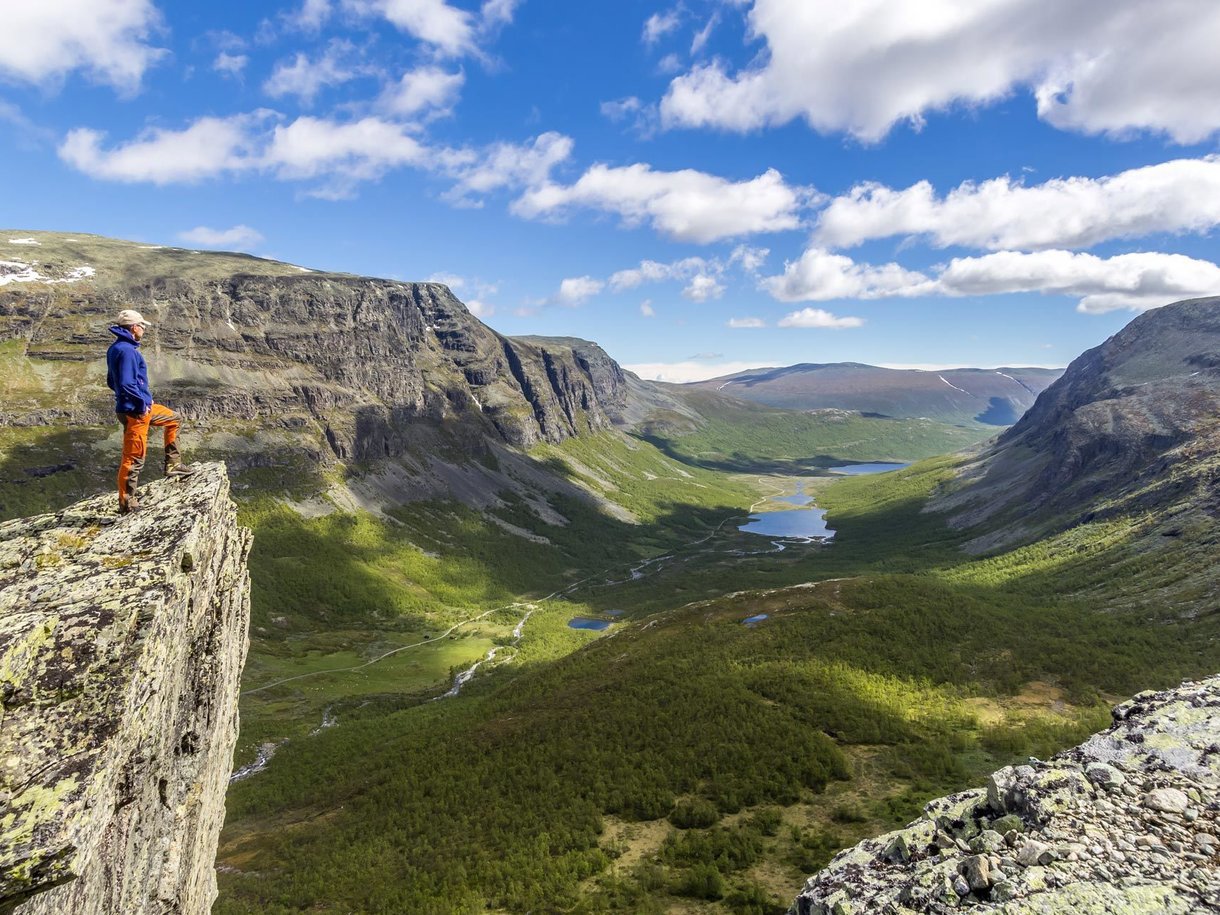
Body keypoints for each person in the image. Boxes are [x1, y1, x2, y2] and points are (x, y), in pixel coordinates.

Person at [106, 309, 195, 514]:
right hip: (135, 413)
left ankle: (173, 464)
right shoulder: (127, 351)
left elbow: (112, 381)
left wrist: (145, 398)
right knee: (134, 458)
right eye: (142, 326)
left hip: (137, 407)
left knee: (174, 418)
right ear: (134, 327)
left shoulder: (117, 348)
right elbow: (127, 384)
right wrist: (141, 402)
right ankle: (127, 504)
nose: (144, 329)